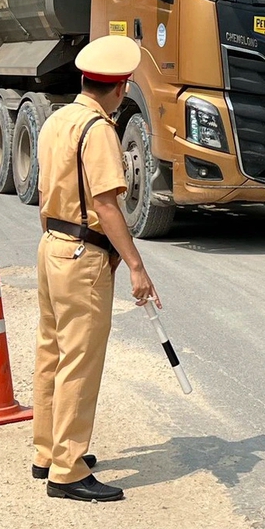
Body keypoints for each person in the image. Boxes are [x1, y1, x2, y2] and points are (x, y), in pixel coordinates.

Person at [31, 34, 161, 503]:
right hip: (83, 255)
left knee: (52, 353)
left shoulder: (58, 120)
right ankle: (67, 469)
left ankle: (47, 451)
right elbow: (107, 204)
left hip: (52, 246)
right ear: (120, 88)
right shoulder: (99, 129)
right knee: (80, 362)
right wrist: (136, 266)